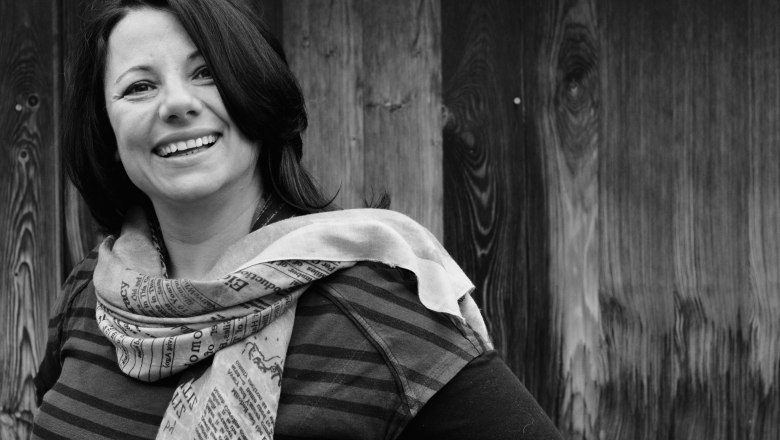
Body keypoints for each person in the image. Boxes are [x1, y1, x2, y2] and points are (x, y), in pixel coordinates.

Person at [32, 0, 562, 439]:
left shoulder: (379, 316)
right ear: (106, 127)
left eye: (206, 73)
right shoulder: (92, 298)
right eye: (138, 87)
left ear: (255, 90)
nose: (175, 103)